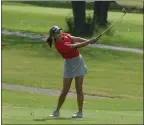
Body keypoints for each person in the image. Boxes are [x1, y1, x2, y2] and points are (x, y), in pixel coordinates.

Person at [45, 26, 98, 118]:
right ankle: (57, 111)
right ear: (54, 36)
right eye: (57, 32)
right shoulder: (59, 45)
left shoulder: (65, 35)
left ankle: (80, 112)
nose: (60, 33)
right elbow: (75, 46)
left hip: (78, 61)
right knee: (65, 90)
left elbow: (75, 39)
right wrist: (89, 42)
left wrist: (88, 40)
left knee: (79, 89)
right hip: (69, 64)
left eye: (59, 31)